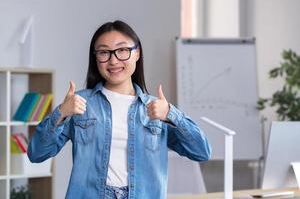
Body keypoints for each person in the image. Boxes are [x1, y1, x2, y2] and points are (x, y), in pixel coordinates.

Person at [27, 20, 212, 199]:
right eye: (104, 52)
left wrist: (171, 114)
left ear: (137, 53)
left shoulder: (157, 109)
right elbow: (37, 154)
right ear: (96, 57)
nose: (113, 60)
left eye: (122, 50)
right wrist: (61, 113)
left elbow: (201, 152)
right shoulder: (80, 103)